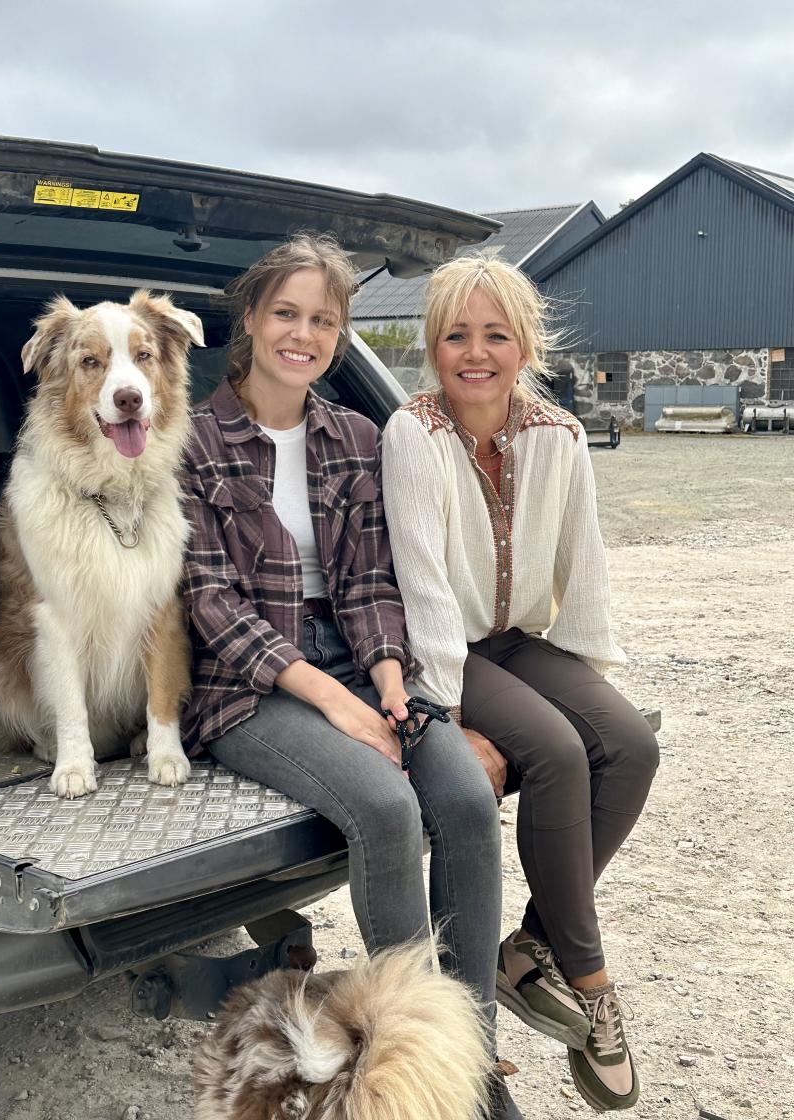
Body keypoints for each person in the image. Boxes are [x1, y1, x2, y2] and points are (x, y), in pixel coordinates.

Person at [179, 234, 523, 1119]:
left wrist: (391, 684)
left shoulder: (352, 434)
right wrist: (338, 701)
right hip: (249, 690)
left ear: (341, 332)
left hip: (361, 671)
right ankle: (415, 1070)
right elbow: (211, 604)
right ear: (249, 320)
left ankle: (469, 1068)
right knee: (382, 807)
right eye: (286, 314)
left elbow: (371, 578)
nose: (305, 334)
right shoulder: (195, 439)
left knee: (463, 801)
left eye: (324, 319)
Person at [382, 253, 660, 1113]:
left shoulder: (559, 437)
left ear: (524, 344)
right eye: (456, 335)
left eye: (495, 335)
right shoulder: (413, 434)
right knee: (557, 754)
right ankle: (592, 981)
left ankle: (526, 949)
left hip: (518, 641)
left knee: (630, 745)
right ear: (433, 346)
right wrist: (443, 705)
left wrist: (586, 670)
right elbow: (422, 582)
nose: (475, 352)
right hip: (453, 650)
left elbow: (586, 564)